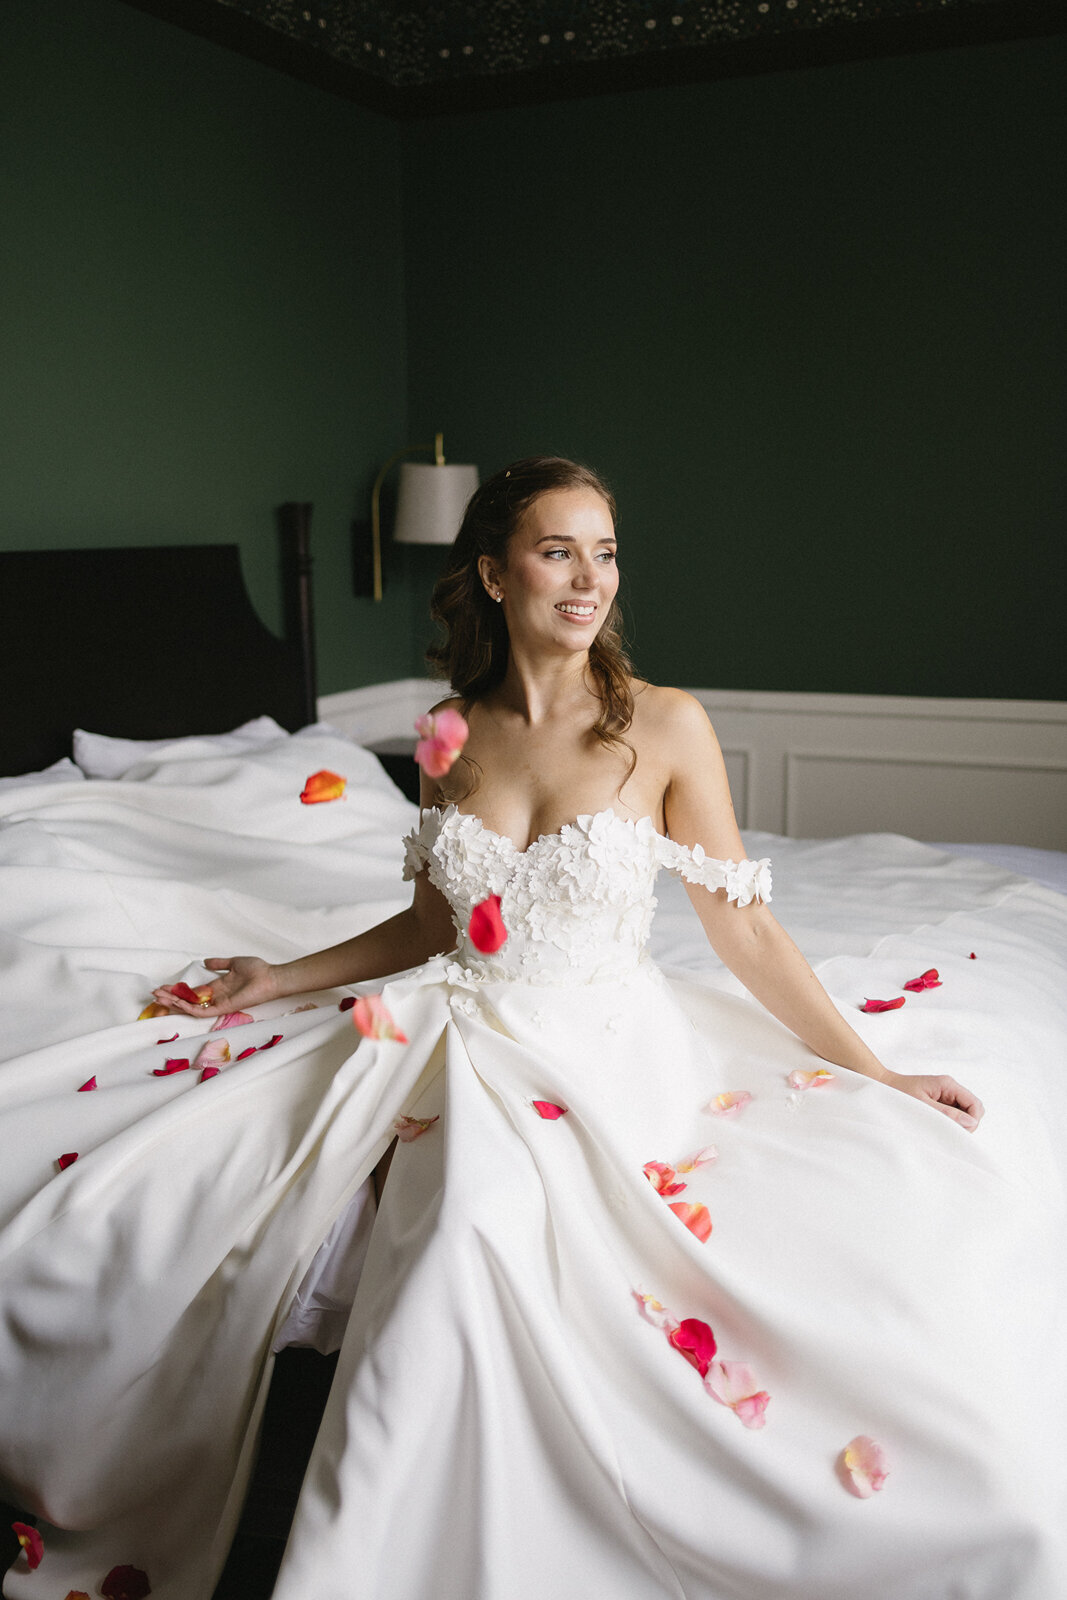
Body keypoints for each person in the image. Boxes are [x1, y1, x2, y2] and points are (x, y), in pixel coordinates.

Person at [139, 458, 1018, 1600]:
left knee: (494, 1224)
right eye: (557, 552)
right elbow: (432, 925)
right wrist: (277, 978)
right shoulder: (446, 732)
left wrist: (877, 1071)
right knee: (459, 1222)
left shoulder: (664, 723)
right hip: (462, 1036)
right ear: (494, 574)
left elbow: (744, 929)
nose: (588, 578)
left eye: (603, 553)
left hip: (604, 1044)